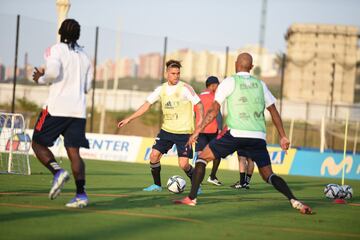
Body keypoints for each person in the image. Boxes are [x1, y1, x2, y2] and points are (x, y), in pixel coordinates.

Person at [174, 53, 312, 214]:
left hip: (235, 133)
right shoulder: (260, 84)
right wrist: (282, 135)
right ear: (251, 67)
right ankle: (295, 201)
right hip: (258, 137)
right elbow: (273, 111)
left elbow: (214, 109)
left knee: (203, 158)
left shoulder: (229, 81)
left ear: (235, 64)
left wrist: (198, 130)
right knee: (268, 174)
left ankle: (191, 198)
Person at [32, 19, 92, 208]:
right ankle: (81, 195)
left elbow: (52, 72)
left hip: (57, 107)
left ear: (60, 32)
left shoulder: (55, 49)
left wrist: (40, 78)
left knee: (37, 143)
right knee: (74, 152)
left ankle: (57, 172)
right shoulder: (85, 57)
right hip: (78, 110)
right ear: (78, 35)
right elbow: (87, 87)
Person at [118, 60, 204, 192]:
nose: (176, 76)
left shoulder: (185, 88)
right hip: (166, 131)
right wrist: (129, 118)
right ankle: (157, 185)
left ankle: (196, 185)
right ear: (167, 74)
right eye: (173, 73)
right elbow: (147, 105)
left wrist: (198, 129)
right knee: (153, 156)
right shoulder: (161, 89)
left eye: (178, 73)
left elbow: (199, 105)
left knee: (184, 164)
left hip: (184, 133)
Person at [194, 76, 223, 186]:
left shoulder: (198, 97)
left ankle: (197, 180)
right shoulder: (216, 97)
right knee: (217, 154)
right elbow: (218, 114)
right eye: (217, 85)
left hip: (200, 131)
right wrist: (220, 128)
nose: (218, 87)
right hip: (213, 130)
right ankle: (212, 176)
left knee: (200, 156)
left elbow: (195, 114)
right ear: (212, 85)